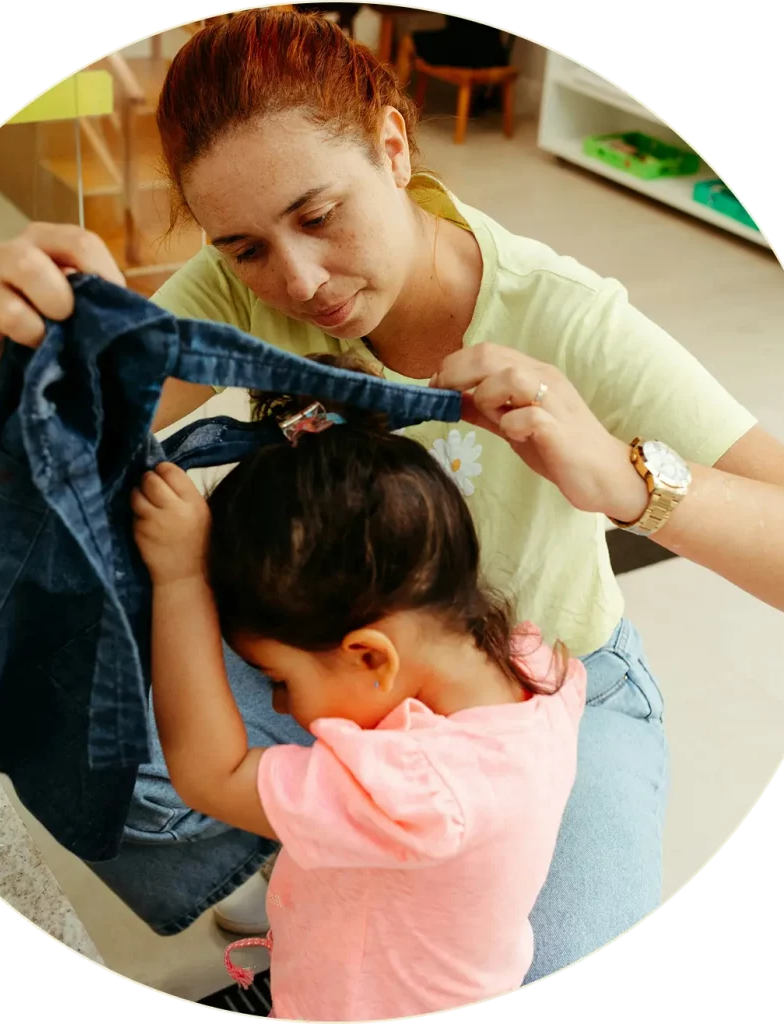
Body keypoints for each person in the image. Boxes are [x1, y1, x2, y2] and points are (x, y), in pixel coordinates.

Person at [0, 8, 784, 985]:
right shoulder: (239, 286)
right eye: (245, 247)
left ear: (394, 145)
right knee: (72, 717)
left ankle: (310, 834)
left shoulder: (562, 317)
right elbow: (55, 454)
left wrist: (627, 481)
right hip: (332, 664)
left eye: (319, 216)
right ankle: (298, 845)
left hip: (530, 688)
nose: (300, 279)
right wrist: (8, 362)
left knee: (561, 957)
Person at [130, 358, 587, 1020]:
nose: (281, 706)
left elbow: (211, 773)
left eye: (279, 680)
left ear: (371, 655)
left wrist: (179, 581)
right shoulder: (535, 670)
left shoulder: (414, 793)